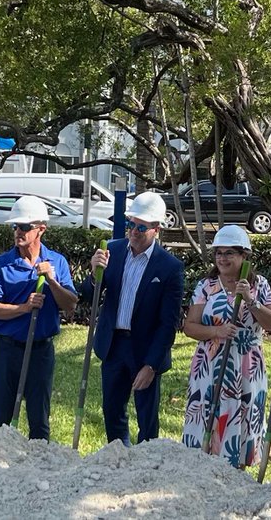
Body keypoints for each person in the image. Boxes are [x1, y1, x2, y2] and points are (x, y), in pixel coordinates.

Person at [86, 191, 184, 446]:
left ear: (156, 229)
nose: (134, 231)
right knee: (112, 411)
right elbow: (89, 294)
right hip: (113, 344)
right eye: (131, 224)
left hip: (145, 349)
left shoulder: (169, 267)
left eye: (141, 226)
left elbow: (168, 323)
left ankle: (145, 465)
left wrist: (151, 365)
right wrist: (94, 272)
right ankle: (118, 460)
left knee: (146, 418)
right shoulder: (113, 251)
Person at [180, 224, 271, 466]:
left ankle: (239, 471)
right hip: (211, 365)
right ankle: (205, 467)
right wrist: (217, 331)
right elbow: (189, 326)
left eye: (229, 253)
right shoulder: (207, 286)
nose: (222, 258)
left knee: (243, 415)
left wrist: (250, 300)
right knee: (209, 415)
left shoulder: (259, 285)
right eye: (218, 253)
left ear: (244, 255)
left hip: (246, 365)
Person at [0, 195, 78, 440]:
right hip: (7, 351)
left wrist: (51, 280)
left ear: (41, 229)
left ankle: (40, 470)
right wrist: (24, 308)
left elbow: (70, 304)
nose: (18, 231)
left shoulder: (57, 262)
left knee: (39, 420)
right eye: (15, 226)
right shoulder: (0, 265)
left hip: (40, 352)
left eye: (25, 227)